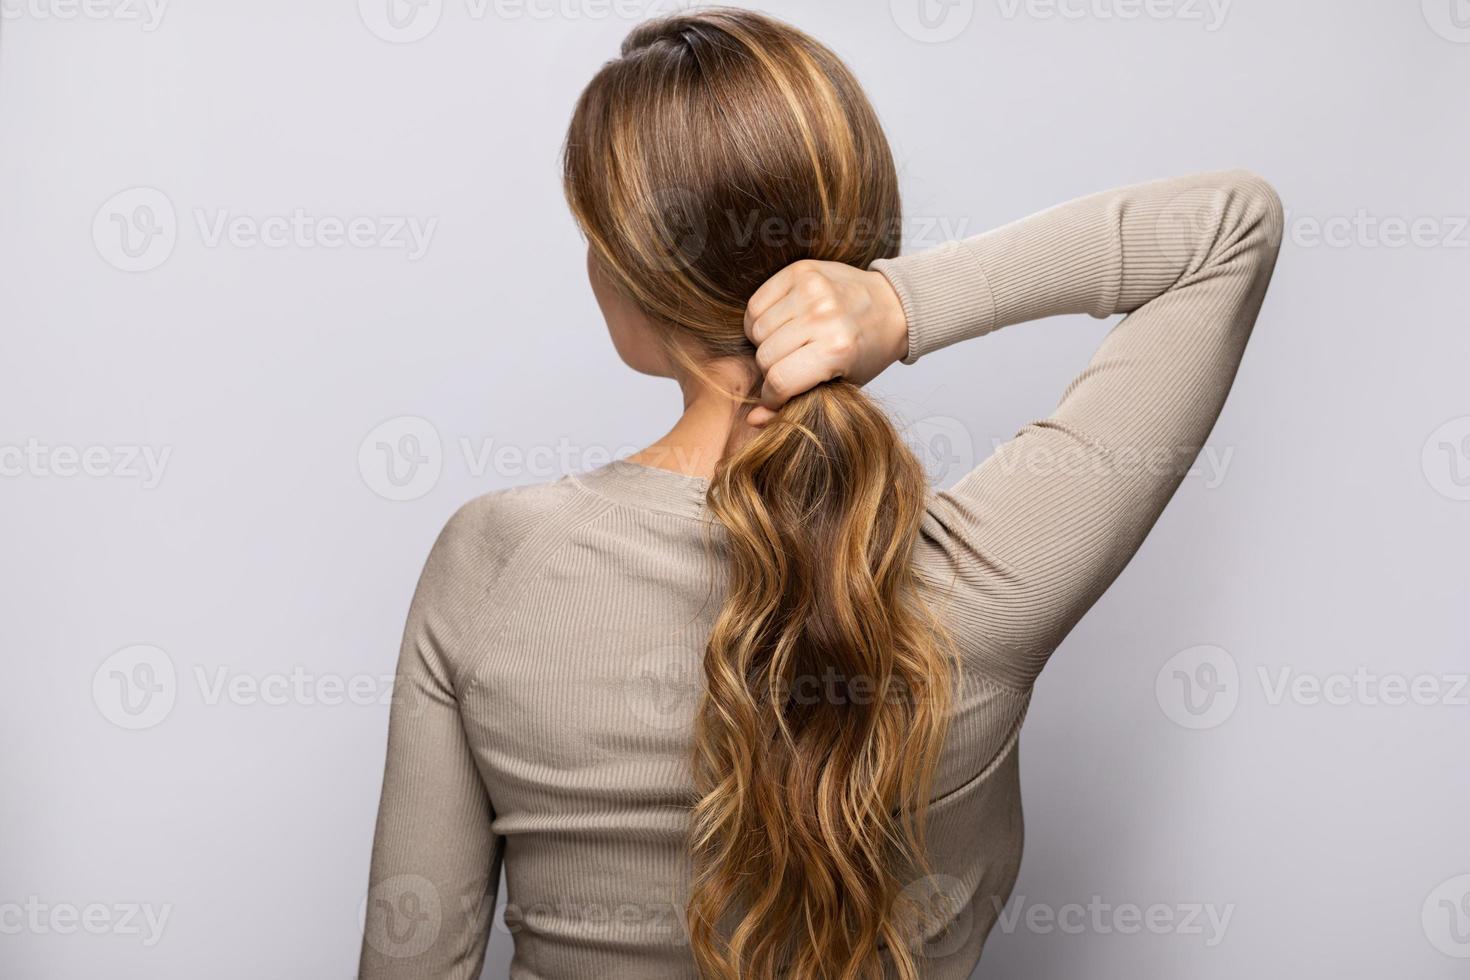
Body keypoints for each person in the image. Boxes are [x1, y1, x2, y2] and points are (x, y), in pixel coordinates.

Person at [359, 8, 1282, 979]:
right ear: (858, 241)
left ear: (628, 269)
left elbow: (411, 955)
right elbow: (1229, 227)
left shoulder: (493, 561)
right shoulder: (986, 574)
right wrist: (904, 301)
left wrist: (884, 298)